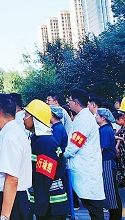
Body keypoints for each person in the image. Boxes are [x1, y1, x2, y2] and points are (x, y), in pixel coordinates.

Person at [0, 93, 32, 220]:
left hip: (9, 201)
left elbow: (12, 178)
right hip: (9, 199)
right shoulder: (10, 132)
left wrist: (5, 216)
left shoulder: (9, 137)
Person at [23, 99, 69, 220]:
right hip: (47, 202)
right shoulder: (39, 139)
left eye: (26, 115)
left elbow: (45, 178)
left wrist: (40, 206)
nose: (23, 119)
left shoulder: (44, 142)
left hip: (51, 205)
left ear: (35, 119)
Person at [64, 88, 105, 220]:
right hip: (85, 167)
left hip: (87, 169)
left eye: (70, 100)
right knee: (92, 205)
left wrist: (64, 155)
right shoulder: (83, 117)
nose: (69, 103)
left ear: (76, 103)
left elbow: (76, 143)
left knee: (94, 207)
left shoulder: (84, 119)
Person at [96, 108, 122, 220]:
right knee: (111, 191)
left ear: (103, 118)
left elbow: (101, 149)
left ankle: (115, 217)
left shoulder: (104, 130)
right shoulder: (106, 129)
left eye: (98, 115)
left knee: (111, 192)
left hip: (107, 163)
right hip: (108, 162)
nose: (96, 117)